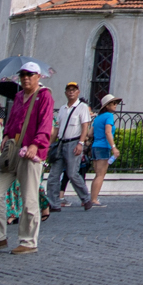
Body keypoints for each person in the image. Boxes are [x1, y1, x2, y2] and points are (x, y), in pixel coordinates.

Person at [0, 60, 53, 254]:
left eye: (30, 75)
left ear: (38, 76)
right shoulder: (19, 96)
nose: (25, 78)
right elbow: (13, 120)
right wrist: (6, 135)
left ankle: (28, 242)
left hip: (31, 152)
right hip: (12, 150)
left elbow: (45, 123)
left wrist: (36, 144)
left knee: (29, 199)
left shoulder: (44, 95)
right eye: (22, 75)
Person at [44, 81, 92, 212]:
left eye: (73, 90)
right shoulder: (62, 109)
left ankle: (86, 198)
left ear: (78, 92)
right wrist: (50, 144)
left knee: (72, 173)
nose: (71, 92)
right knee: (53, 175)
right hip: (61, 143)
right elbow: (57, 128)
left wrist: (80, 143)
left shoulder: (82, 107)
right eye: (69, 90)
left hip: (74, 142)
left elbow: (85, 127)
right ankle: (54, 203)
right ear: (65, 92)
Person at [85, 92, 121, 209]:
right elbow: (108, 132)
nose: (115, 105)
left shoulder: (98, 117)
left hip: (95, 146)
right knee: (101, 175)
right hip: (104, 147)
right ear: (107, 105)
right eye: (113, 103)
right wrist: (113, 147)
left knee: (97, 174)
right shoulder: (109, 116)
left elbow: (90, 133)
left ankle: (92, 198)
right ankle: (94, 199)